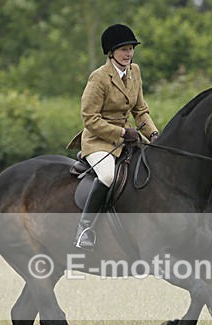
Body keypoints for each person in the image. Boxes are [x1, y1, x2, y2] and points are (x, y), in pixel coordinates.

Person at [70, 23, 159, 250]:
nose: (129, 53)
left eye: (131, 49)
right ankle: (85, 230)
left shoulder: (135, 71)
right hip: (98, 140)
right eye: (123, 49)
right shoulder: (98, 78)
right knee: (108, 176)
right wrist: (121, 132)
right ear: (111, 52)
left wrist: (154, 134)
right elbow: (90, 118)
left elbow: (140, 110)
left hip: (127, 138)